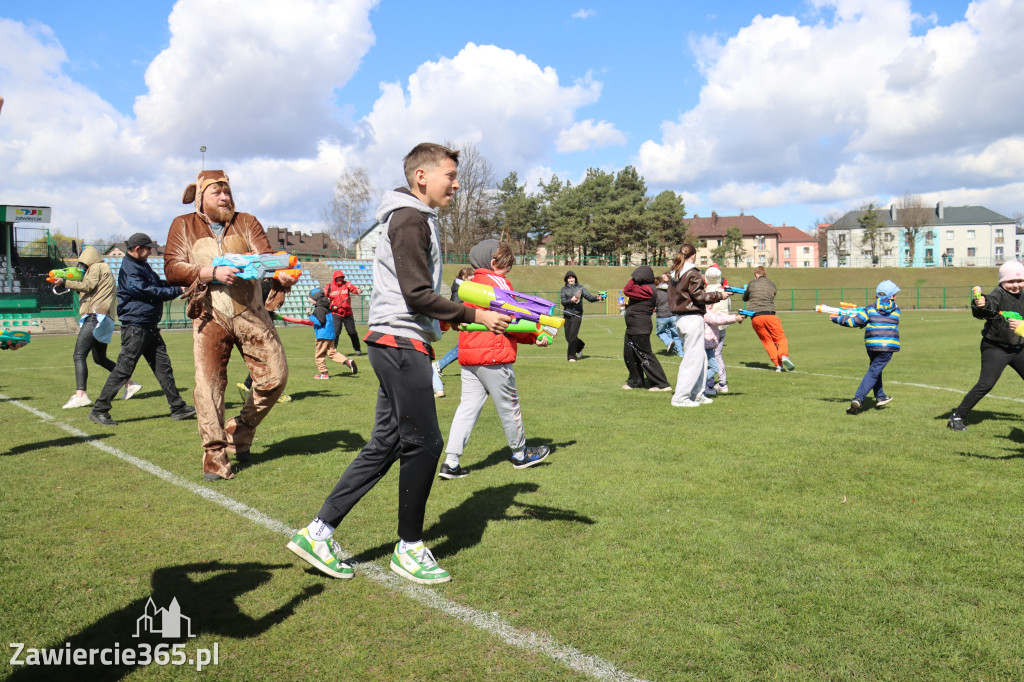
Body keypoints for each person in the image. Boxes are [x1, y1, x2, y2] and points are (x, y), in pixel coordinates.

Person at [287, 143, 510, 584]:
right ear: (421, 176)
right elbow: (416, 293)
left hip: (398, 340)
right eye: (450, 174)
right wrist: (474, 314)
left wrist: (465, 318)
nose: (457, 183)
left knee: (387, 443)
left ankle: (319, 532)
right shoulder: (409, 218)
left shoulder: (412, 218)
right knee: (425, 444)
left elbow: (421, 296)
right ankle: (409, 547)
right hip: (398, 342)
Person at [163, 170, 296, 481]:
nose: (224, 198)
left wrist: (280, 276)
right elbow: (172, 268)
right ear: (200, 198)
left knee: (275, 377)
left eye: (227, 192)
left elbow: (267, 259)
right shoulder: (182, 225)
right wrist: (211, 272)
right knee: (208, 388)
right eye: (216, 193)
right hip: (209, 316)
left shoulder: (247, 221)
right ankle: (214, 456)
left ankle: (241, 428)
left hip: (252, 313)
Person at [439, 240, 551, 480]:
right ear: (493, 262)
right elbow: (511, 318)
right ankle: (521, 455)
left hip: (470, 357)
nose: (508, 271)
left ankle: (451, 462)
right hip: (494, 357)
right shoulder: (497, 283)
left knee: (466, 409)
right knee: (510, 407)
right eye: (506, 265)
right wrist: (535, 336)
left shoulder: (469, 285)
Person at [87, 234, 197, 426]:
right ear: (138, 249)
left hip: (148, 326)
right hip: (136, 326)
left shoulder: (141, 266)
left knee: (163, 368)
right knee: (123, 369)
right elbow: (147, 291)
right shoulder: (131, 269)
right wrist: (177, 291)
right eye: (148, 249)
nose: (150, 252)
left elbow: (157, 284)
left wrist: (179, 285)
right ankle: (99, 410)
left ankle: (178, 407)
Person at [57, 245, 141, 409]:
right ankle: (129, 384)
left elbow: (88, 286)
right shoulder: (104, 268)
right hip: (104, 318)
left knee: (79, 355)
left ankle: (81, 394)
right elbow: (90, 290)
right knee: (99, 358)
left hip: (95, 316)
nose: (81, 267)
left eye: (82, 263)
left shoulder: (96, 267)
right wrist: (67, 285)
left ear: (87, 259)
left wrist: (66, 282)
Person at [948, 261, 1024, 431]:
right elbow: (987, 305)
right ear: (1001, 282)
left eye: (1019, 281)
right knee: (986, 383)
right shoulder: (998, 294)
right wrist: (980, 304)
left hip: (1019, 348)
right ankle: (957, 417)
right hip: (996, 347)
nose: (1016, 285)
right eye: (1010, 281)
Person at [668, 244, 730, 407]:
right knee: (693, 359)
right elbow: (700, 296)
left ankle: (697, 393)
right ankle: (681, 396)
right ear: (694, 256)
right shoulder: (692, 273)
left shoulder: (675, 274)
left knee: (700, 358)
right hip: (692, 317)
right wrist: (720, 295)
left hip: (681, 318)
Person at [830, 280, 901, 415]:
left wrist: (838, 319)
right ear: (891, 296)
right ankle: (858, 398)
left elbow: (855, 322)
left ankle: (880, 396)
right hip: (888, 346)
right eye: (895, 295)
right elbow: (881, 315)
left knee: (874, 369)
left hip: (872, 345)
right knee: (874, 371)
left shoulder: (869, 308)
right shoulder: (896, 310)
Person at [622, 265, 672, 391]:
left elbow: (627, 289)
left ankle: (662, 384)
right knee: (630, 354)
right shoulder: (644, 288)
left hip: (640, 327)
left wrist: (634, 279)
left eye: (636, 277)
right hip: (633, 326)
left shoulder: (648, 289)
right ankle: (635, 382)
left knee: (645, 355)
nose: (634, 278)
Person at [432, 266, 475, 398]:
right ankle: (438, 365)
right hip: (464, 322)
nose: (473, 278)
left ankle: (439, 365)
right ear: (464, 277)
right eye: (470, 276)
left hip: (466, 321)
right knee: (461, 348)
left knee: (462, 347)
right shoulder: (460, 288)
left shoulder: (462, 287)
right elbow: (457, 303)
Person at [743, 265, 794, 372]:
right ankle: (784, 355)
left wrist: (747, 290)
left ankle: (778, 366)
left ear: (756, 274)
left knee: (767, 341)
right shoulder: (772, 285)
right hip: (770, 314)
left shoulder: (752, 283)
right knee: (780, 338)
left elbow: (745, 298)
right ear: (765, 274)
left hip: (756, 316)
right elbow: (772, 296)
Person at [309, 288, 357, 379]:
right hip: (330, 334)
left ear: (315, 298)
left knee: (319, 355)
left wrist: (311, 317)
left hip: (322, 335)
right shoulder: (326, 306)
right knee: (332, 353)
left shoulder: (319, 308)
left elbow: (320, 321)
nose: (309, 300)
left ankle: (324, 373)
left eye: (310, 298)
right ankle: (347, 361)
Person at [702, 304, 744, 398]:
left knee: (708, 367)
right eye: (711, 303)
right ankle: (699, 383)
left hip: (707, 345)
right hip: (706, 346)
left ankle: (702, 385)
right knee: (714, 368)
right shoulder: (706, 312)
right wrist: (735, 318)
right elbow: (718, 319)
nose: (713, 305)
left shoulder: (706, 311)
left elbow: (720, 317)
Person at [560, 270, 600, 362]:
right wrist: (571, 300)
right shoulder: (563, 289)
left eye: (572, 277)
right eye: (569, 278)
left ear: (575, 278)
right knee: (568, 337)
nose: (571, 279)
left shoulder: (581, 288)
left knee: (572, 336)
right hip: (567, 314)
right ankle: (580, 345)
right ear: (566, 279)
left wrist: (597, 298)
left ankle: (571, 356)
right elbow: (563, 302)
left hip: (577, 314)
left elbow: (589, 297)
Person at [325, 270, 363, 355]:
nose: (340, 280)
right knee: (336, 332)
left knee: (352, 332)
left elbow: (354, 289)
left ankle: (357, 349)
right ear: (334, 278)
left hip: (347, 313)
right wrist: (331, 307)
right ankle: (332, 351)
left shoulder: (347, 284)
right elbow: (324, 299)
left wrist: (358, 290)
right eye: (338, 278)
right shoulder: (329, 287)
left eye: (341, 278)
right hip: (335, 313)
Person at [654, 273, 684, 357]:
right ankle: (681, 353)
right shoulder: (671, 290)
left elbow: (654, 303)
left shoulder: (656, 293)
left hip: (662, 316)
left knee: (660, 333)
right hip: (672, 314)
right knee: (676, 334)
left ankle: (668, 342)